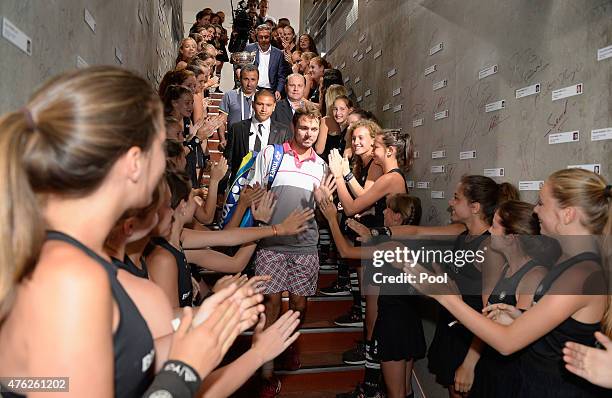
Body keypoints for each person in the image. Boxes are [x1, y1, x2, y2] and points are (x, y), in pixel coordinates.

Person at [0, 66, 256, 397]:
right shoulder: (69, 278)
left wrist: (195, 321)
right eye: (160, 147)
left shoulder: (76, 259)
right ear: (135, 162)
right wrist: (185, 369)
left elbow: (122, 364)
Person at [404, 168, 611, 397]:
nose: (535, 210)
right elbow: (561, 335)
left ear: (568, 214)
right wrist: (520, 316)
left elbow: (507, 342)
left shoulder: (580, 274)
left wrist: (444, 296)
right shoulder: (570, 263)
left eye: (541, 203)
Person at [248, 105, 328, 397]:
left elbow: (323, 214)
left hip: (306, 246)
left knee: (299, 305)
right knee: (270, 303)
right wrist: (259, 215)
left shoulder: (321, 166)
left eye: (314, 130)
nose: (308, 134)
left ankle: (290, 342)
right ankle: (266, 374)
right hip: (271, 242)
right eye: (304, 128)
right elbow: (253, 192)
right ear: (294, 127)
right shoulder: (271, 154)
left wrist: (325, 203)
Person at [318, 194, 426, 398]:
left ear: (397, 217)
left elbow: (346, 251)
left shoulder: (392, 246)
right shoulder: (410, 240)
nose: (382, 212)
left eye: (387, 209)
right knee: (405, 389)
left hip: (393, 324)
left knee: (395, 393)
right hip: (410, 320)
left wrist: (332, 219)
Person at [224, 89, 292, 184]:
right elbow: (228, 161)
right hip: (240, 186)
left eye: (268, 105)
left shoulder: (283, 131)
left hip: (269, 187)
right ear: (252, 104)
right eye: (260, 104)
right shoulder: (237, 128)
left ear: (274, 106)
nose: (264, 109)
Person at [219, 64, 260, 150]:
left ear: (257, 80)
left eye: (253, 80)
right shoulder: (229, 96)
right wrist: (222, 139)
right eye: (246, 79)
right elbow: (221, 121)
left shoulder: (262, 98)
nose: (249, 84)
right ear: (240, 79)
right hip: (234, 143)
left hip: (256, 144)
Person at [244, 24, 289, 101]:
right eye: (260, 37)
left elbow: (281, 76)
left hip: (271, 91)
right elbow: (243, 67)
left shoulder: (278, 54)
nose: (263, 40)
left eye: (266, 37)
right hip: (253, 90)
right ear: (257, 37)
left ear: (271, 37)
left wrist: (278, 90)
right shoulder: (249, 48)